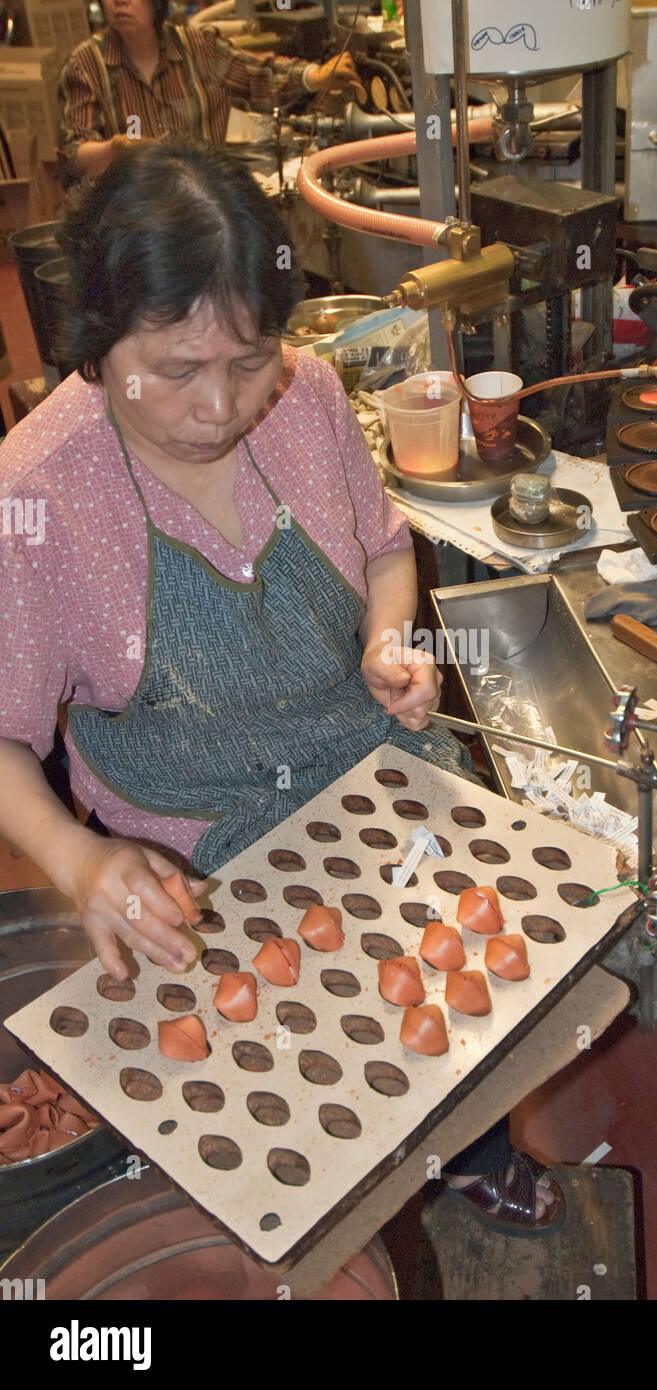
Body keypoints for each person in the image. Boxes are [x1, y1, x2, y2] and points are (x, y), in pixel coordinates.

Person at [0, 141, 563, 1236]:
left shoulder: (306, 398)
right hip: (199, 837)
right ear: (97, 341)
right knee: (303, 1081)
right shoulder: (38, 496)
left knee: (471, 984)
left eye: (249, 358)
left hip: (369, 764)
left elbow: (387, 548)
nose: (220, 404)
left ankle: (469, 1144)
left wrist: (386, 644)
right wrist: (79, 861)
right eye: (176, 369)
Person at [57, 0, 365, 180]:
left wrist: (315, 76)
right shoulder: (86, 64)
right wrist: (113, 150)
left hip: (204, 202)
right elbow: (73, 153)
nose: (119, 2)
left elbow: (257, 74)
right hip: (133, 216)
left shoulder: (198, 48)